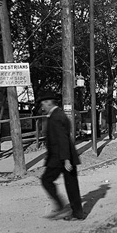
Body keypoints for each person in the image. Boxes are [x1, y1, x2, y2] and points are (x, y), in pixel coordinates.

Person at [38, 93, 85, 221]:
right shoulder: (58, 115)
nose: (42, 107)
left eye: (43, 104)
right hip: (63, 156)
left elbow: (62, 139)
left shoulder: (56, 117)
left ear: (49, 102)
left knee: (46, 180)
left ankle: (62, 207)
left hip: (60, 157)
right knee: (71, 185)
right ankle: (77, 213)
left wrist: (66, 159)